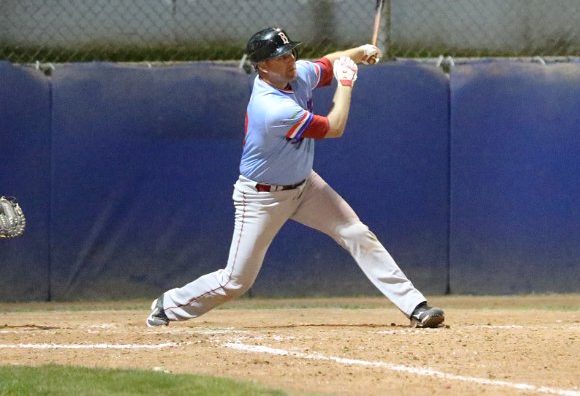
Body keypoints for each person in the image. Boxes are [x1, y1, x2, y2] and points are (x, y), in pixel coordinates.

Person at [146, 27, 445, 329]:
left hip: (305, 185)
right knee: (237, 281)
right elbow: (334, 127)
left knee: (356, 233)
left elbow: (327, 63)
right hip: (262, 196)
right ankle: (168, 306)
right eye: (281, 56)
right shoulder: (272, 108)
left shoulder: (294, 73)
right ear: (264, 66)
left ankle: (415, 306)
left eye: (290, 52)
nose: (290, 60)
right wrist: (345, 84)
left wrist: (359, 52)